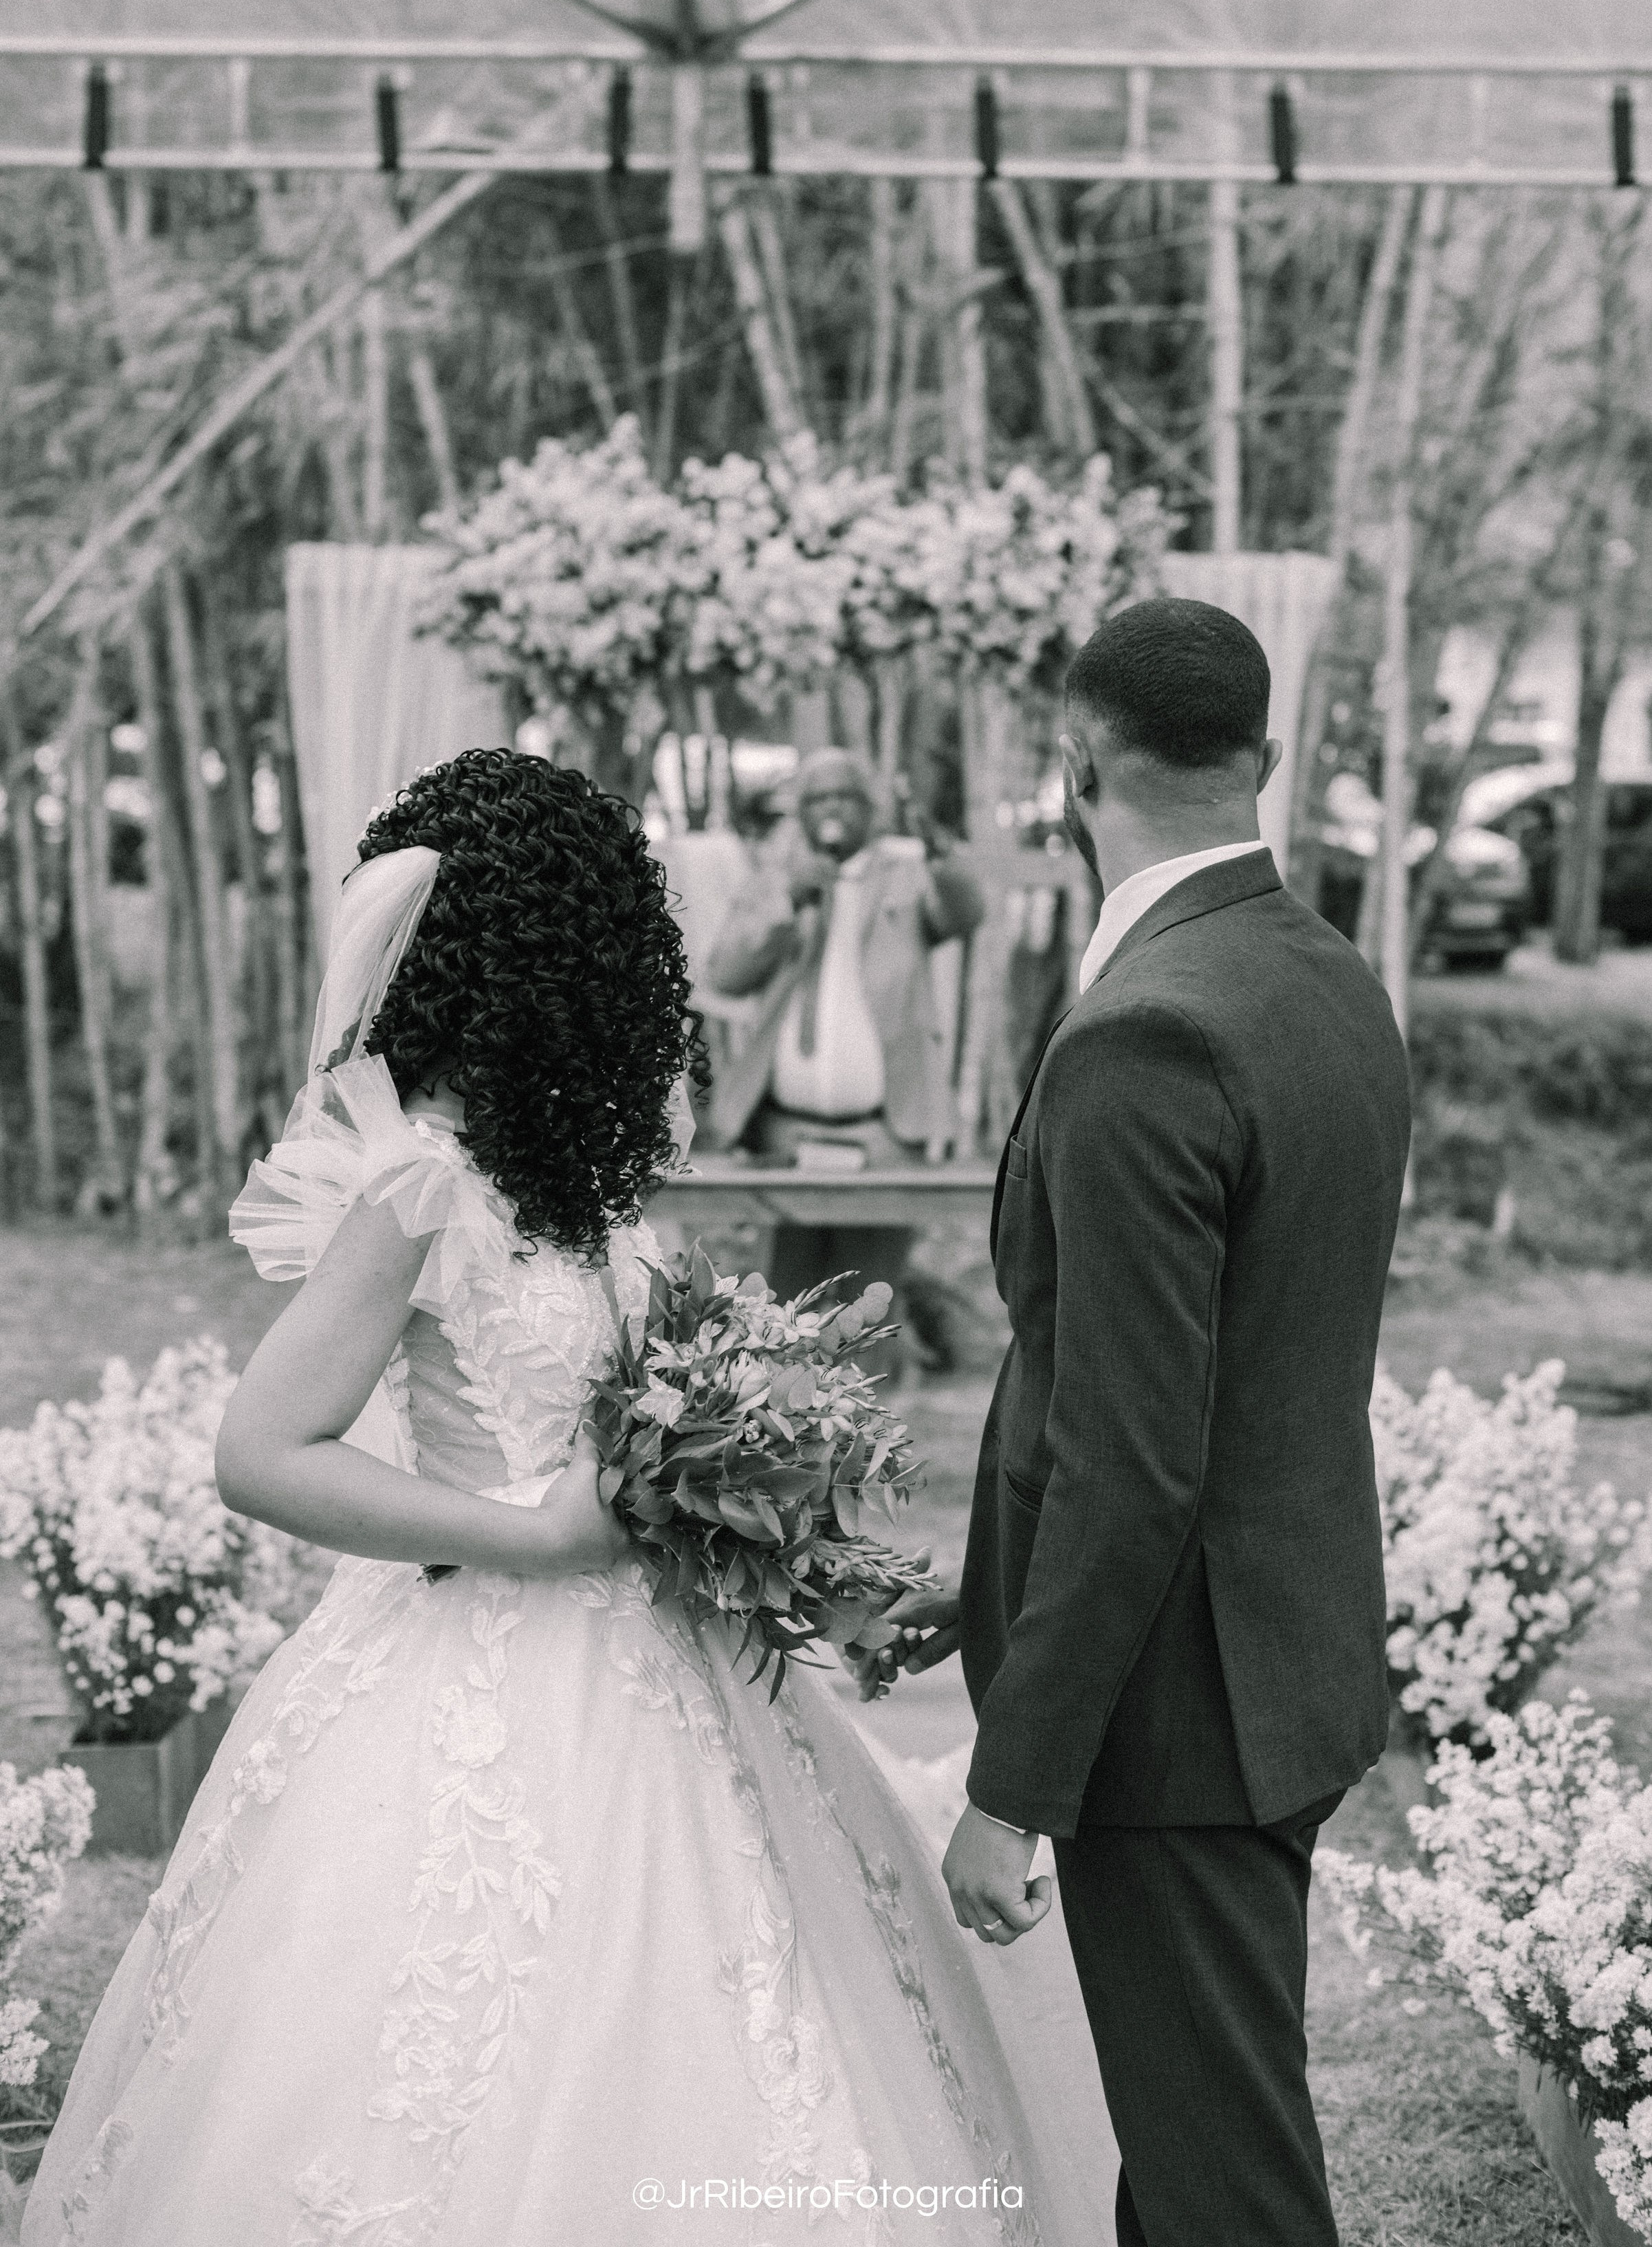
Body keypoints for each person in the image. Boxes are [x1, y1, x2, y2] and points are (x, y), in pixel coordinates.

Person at [23, 749, 1090, 2247]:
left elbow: (663, 1455)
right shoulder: (419, 1188)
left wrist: (815, 1575)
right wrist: (527, 1534)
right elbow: (262, 1451)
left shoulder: (580, 1188)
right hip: (480, 1675)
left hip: (678, 1661)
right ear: (571, 965)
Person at [857, 600, 1412, 2247]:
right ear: (1269, 756)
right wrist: (982, 1591)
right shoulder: (1327, 982)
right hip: (1276, 1666)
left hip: (1177, 1724)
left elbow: (1131, 1451)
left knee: (1228, 2191)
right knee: (1185, 2163)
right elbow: (1222, 1387)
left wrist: (1013, 1785)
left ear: (1074, 757)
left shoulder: (1145, 1032)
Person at [703, 747, 984, 1307]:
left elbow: (963, 913)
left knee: (867, 1306)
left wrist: (941, 855)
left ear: (872, 808)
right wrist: (789, 899)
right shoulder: (775, 880)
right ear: (800, 812)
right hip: (785, 1136)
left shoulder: (905, 876)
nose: (833, 809)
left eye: (846, 797)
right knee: (782, 1307)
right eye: (819, 797)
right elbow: (726, 977)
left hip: (881, 1136)